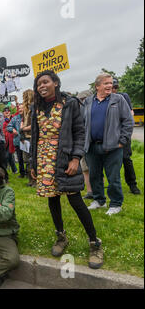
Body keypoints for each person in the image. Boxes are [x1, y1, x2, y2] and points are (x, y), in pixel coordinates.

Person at [30, 70, 104, 269]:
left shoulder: (69, 103)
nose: (41, 86)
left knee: (75, 200)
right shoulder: (35, 107)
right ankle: (61, 236)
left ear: (55, 82)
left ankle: (95, 243)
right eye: (38, 84)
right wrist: (33, 164)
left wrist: (75, 158)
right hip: (43, 159)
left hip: (64, 158)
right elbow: (35, 137)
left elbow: (79, 132)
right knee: (53, 199)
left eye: (45, 82)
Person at [83, 73, 134, 215]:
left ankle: (116, 204)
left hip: (113, 147)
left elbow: (128, 122)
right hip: (92, 146)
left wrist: (122, 141)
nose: (110, 86)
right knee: (94, 175)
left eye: (111, 83)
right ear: (97, 86)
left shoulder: (118, 100)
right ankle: (99, 201)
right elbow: (83, 123)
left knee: (113, 177)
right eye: (106, 83)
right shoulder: (88, 101)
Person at [112, 78, 141, 195]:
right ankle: (114, 185)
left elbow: (130, 113)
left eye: (115, 87)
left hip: (123, 133)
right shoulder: (103, 99)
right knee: (112, 161)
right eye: (112, 86)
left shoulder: (123, 96)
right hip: (109, 134)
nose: (113, 89)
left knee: (126, 159)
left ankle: (132, 184)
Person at [21, 89, 36, 187]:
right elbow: (22, 120)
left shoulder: (34, 107)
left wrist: (24, 128)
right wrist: (21, 127)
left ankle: (35, 181)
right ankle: (30, 180)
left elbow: (35, 123)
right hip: (24, 137)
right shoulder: (25, 110)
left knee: (32, 159)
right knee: (26, 159)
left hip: (31, 136)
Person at [7, 104, 26, 178]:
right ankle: (22, 173)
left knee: (28, 159)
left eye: (22, 108)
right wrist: (13, 130)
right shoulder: (15, 118)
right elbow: (9, 126)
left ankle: (29, 173)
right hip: (18, 141)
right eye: (19, 108)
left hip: (27, 140)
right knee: (20, 158)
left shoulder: (28, 117)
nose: (20, 110)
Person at [3, 107, 18, 175]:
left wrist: (17, 103)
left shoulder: (13, 118)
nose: (7, 112)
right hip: (5, 141)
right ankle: (14, 170)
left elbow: (18, 112)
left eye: (8, 111)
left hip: (12, 140)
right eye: (5, 111)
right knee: (8, 156)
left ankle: (7, 170)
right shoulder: (2, 120)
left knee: (8, 155)